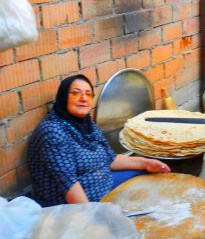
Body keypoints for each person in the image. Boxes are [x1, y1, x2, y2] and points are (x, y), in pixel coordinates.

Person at [28, 74, 171, 207]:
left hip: (104, 185)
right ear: (63, 97)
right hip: (73, 204)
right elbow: (68, 184)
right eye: (76, 93)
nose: (83, 98)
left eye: (88, 94)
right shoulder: (52, 132)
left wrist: (145, 163)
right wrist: (92, 218)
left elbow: (110, 159)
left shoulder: (87, 124)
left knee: (151, 178)